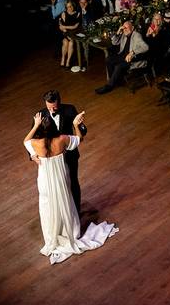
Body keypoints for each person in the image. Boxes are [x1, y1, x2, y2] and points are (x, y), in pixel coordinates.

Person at [23, 111, 117, 264]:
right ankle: (70, 231)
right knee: (65, 202)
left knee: (47, 206)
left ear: (41, 130)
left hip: (45, 181)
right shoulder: (62, 139)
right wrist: (75, 125)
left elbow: (25, 141)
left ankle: (53, 234)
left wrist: (35, 125)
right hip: (61, 178)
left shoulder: (35, 143)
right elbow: (79, 139)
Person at [34, 90, 88, 211]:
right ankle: (61, 211)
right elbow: (32, 139)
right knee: (56, 186)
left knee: (73, 182)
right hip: (50, 160)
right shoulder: (40, 115)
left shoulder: (69, 109)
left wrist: (78, 124)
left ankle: (76, 212)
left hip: (70, 154)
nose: (52, 111)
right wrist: (33, 155)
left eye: (54, 107)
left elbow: (81, 133)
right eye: (49, 107)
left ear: (59, 102)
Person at [96, 20, 149, 94]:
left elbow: (145, 47)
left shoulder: (136, 35)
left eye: (127, 28)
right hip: (122, 56)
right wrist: (118, 32)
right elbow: (114, 42)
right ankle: (114, 81)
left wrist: (132, 52)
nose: (125, 30)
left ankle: (109, 86)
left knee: (118, 66)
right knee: (108, 59)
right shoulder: (124, 33)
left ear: (132, 28)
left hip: (132, 59)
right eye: (124, 28)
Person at [58, 1, 80, 68]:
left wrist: (64, 27)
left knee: (71, 43)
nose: (69, 8)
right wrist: (65, 30)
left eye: (70, 6)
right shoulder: (64, 14)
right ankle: (63, 59)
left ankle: (68, 61)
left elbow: (75, 26)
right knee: (65, 42)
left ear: (73, 6)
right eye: (67, 7)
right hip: (66, 33)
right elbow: (61, 27)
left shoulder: (77, 14)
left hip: (74, 33)